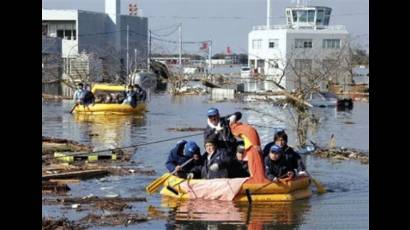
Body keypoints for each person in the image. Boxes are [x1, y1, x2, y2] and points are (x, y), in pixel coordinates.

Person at [229, 114, 270, 184]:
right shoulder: (249, 128)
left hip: (253, 151)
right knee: (257, 167)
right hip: (254, 149)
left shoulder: (243, 129)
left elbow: (234, 131)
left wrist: (231, 125)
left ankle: (257, 181)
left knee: (254, 167)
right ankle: (259, 180)